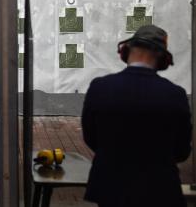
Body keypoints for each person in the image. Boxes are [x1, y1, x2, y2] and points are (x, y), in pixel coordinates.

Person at [82, 25, 192, 207]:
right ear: (163, 59)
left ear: (125, 52)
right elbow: (181, 151)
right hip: (160, 191)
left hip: (110, 189)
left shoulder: (100, 87)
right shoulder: (175, 94)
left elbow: (91, 138)